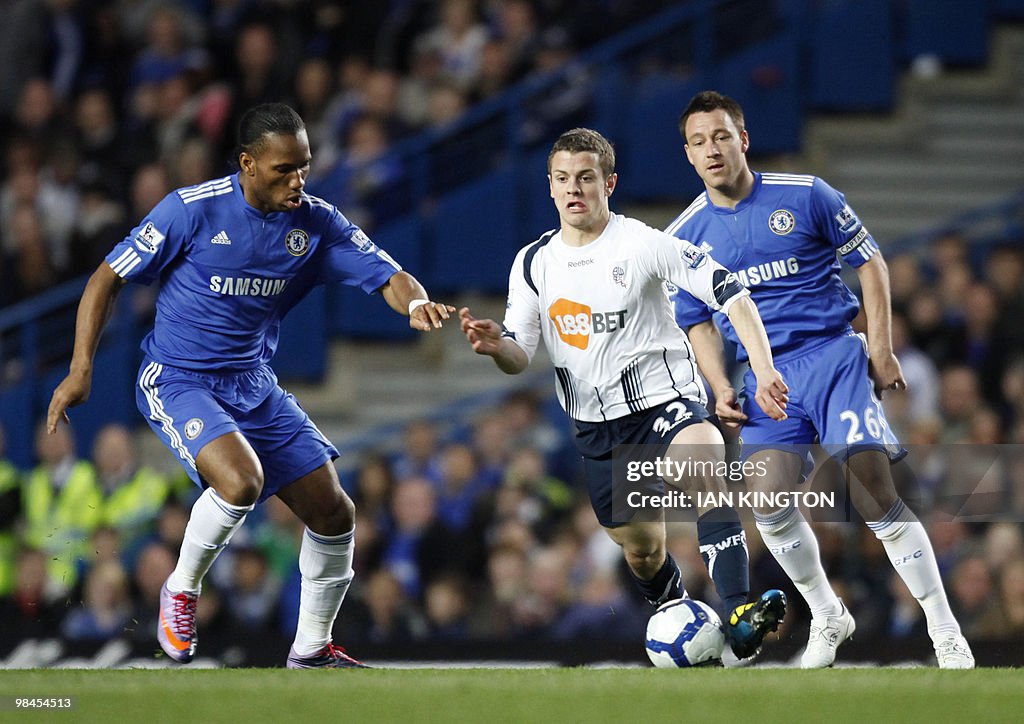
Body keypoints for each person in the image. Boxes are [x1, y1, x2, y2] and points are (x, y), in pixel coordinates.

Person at [47, 103, 455, 669]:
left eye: (305, 167)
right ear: (247, 163)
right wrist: (81, 367)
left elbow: (388, 274)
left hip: (253, 384)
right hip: (179, 378)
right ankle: (181, 589)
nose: (298, 181)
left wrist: (415, 304)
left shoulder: (315, 222)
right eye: (284, 169)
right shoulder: (190, 211)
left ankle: (311, 648)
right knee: (241, 483)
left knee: (335, 513)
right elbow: (105, 279)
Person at [667, 90, 974, 669]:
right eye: (700, 141)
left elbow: (872, 263)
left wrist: (880, 349)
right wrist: (718, 385)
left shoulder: (806, 195)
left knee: (871, 491)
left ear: (744, 139)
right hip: (765, 379)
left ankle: (944, 630)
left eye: (722, 136)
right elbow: (695, 321)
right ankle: (829, 614)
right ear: (688, 154)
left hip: (832, 356)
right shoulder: (684, 235)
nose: (712, 149)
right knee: (768, 504)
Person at [460, 127, 790, 660]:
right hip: (597, 428)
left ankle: (738, 614)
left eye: (586, 178)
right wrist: (498, 346)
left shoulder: (643, 244)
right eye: (563, 179)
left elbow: (730, 291)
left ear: (608, 183)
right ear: (549, 187)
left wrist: (762, 364)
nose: (575, 189)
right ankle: (684, 621)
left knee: (703, 461)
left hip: (665, 402)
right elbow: (519, 354)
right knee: (640, 550)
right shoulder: (532, 263)